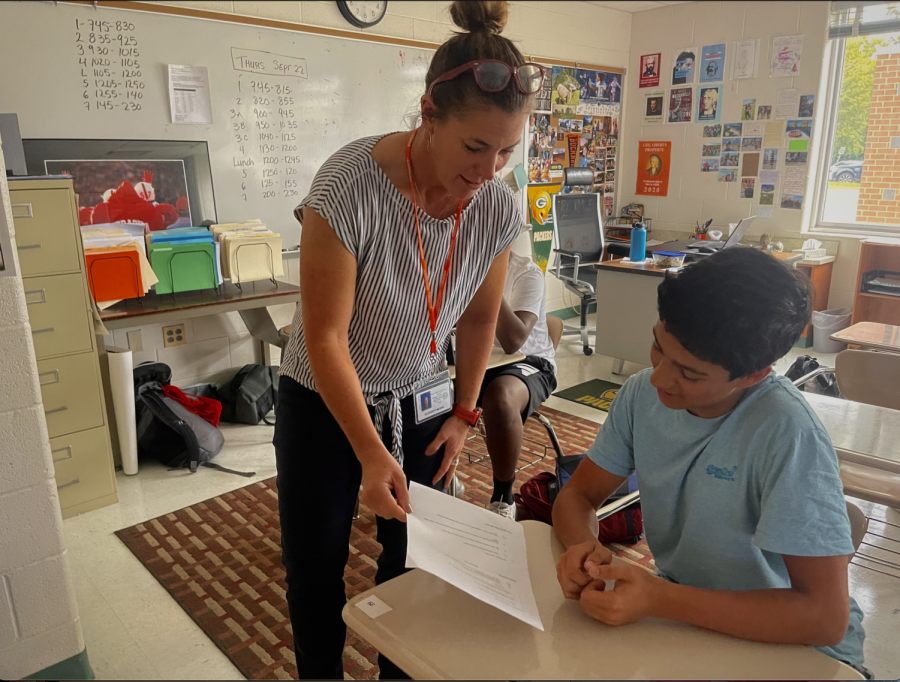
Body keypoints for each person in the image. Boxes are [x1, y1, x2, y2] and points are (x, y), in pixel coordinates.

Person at [274, 2, 544, 678]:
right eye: (475, 148)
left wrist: (463, 411)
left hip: (417, 397)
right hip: (324, 397)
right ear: (428, 114)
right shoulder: (348, 188)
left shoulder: (497, 205)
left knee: (418, 559)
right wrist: (368, 452)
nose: (489, 170)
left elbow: (480, 321)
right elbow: (325, 336)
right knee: (317, 565)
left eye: (508, 151)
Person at [552, 248, 869, 678]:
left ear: (756, 374)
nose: (660, 378)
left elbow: (823, 618)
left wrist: (660, 599)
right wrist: (581, 546)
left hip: (800, 649)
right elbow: (579, 496)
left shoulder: (785, 433)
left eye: (691, 374)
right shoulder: (640, 395)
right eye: (657, 347)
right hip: (691, 616)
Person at [479, 249, 557, 519]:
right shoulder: (448, 262)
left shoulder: (526, 272)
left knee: (500, 398)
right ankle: (439, 475)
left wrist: (484, 277)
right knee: (420, 392)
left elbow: (514, 340)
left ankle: (503, 496)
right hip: (476, 358)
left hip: (530, 362)